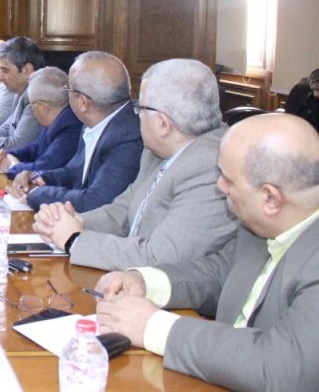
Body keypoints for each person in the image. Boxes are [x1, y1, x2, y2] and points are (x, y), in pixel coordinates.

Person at [95, 113, 319, 392]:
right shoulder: (262, 224)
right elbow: (220, 273)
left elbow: (280, 368)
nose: (219, 187)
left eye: (228, 180)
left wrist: (153, 326)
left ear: (271, 199)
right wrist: (145, 281)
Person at [34, 58, 236, 269]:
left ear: (163, 124)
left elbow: (159, 259)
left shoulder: (211, 168)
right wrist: (73, 221)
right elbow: (123, 211)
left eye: (140, 108)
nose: (136, 114)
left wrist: (74, 240)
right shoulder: (157, 151)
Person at [10, 50, 142, 212]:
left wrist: (37, 193)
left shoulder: (128, 138)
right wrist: (38, 177)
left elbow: (96, 202)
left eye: (69, 90)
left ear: (83, 102)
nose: (66, 97)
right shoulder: (93, 123)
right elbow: (73, 172)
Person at [0, 66, 82, 178]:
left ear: (42, 107)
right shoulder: (55, 121)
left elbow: (42, 169)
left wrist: (11, 166)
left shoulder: (72, 129)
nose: (32, 110)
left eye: (31, 105)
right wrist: (5, 155)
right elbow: (33, 150)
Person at [284, 68, 319, 133]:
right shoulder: (300, 89)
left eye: (318, 90)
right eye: (314, 90)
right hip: (296, 128)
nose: (315, 94)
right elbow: (289, 115)